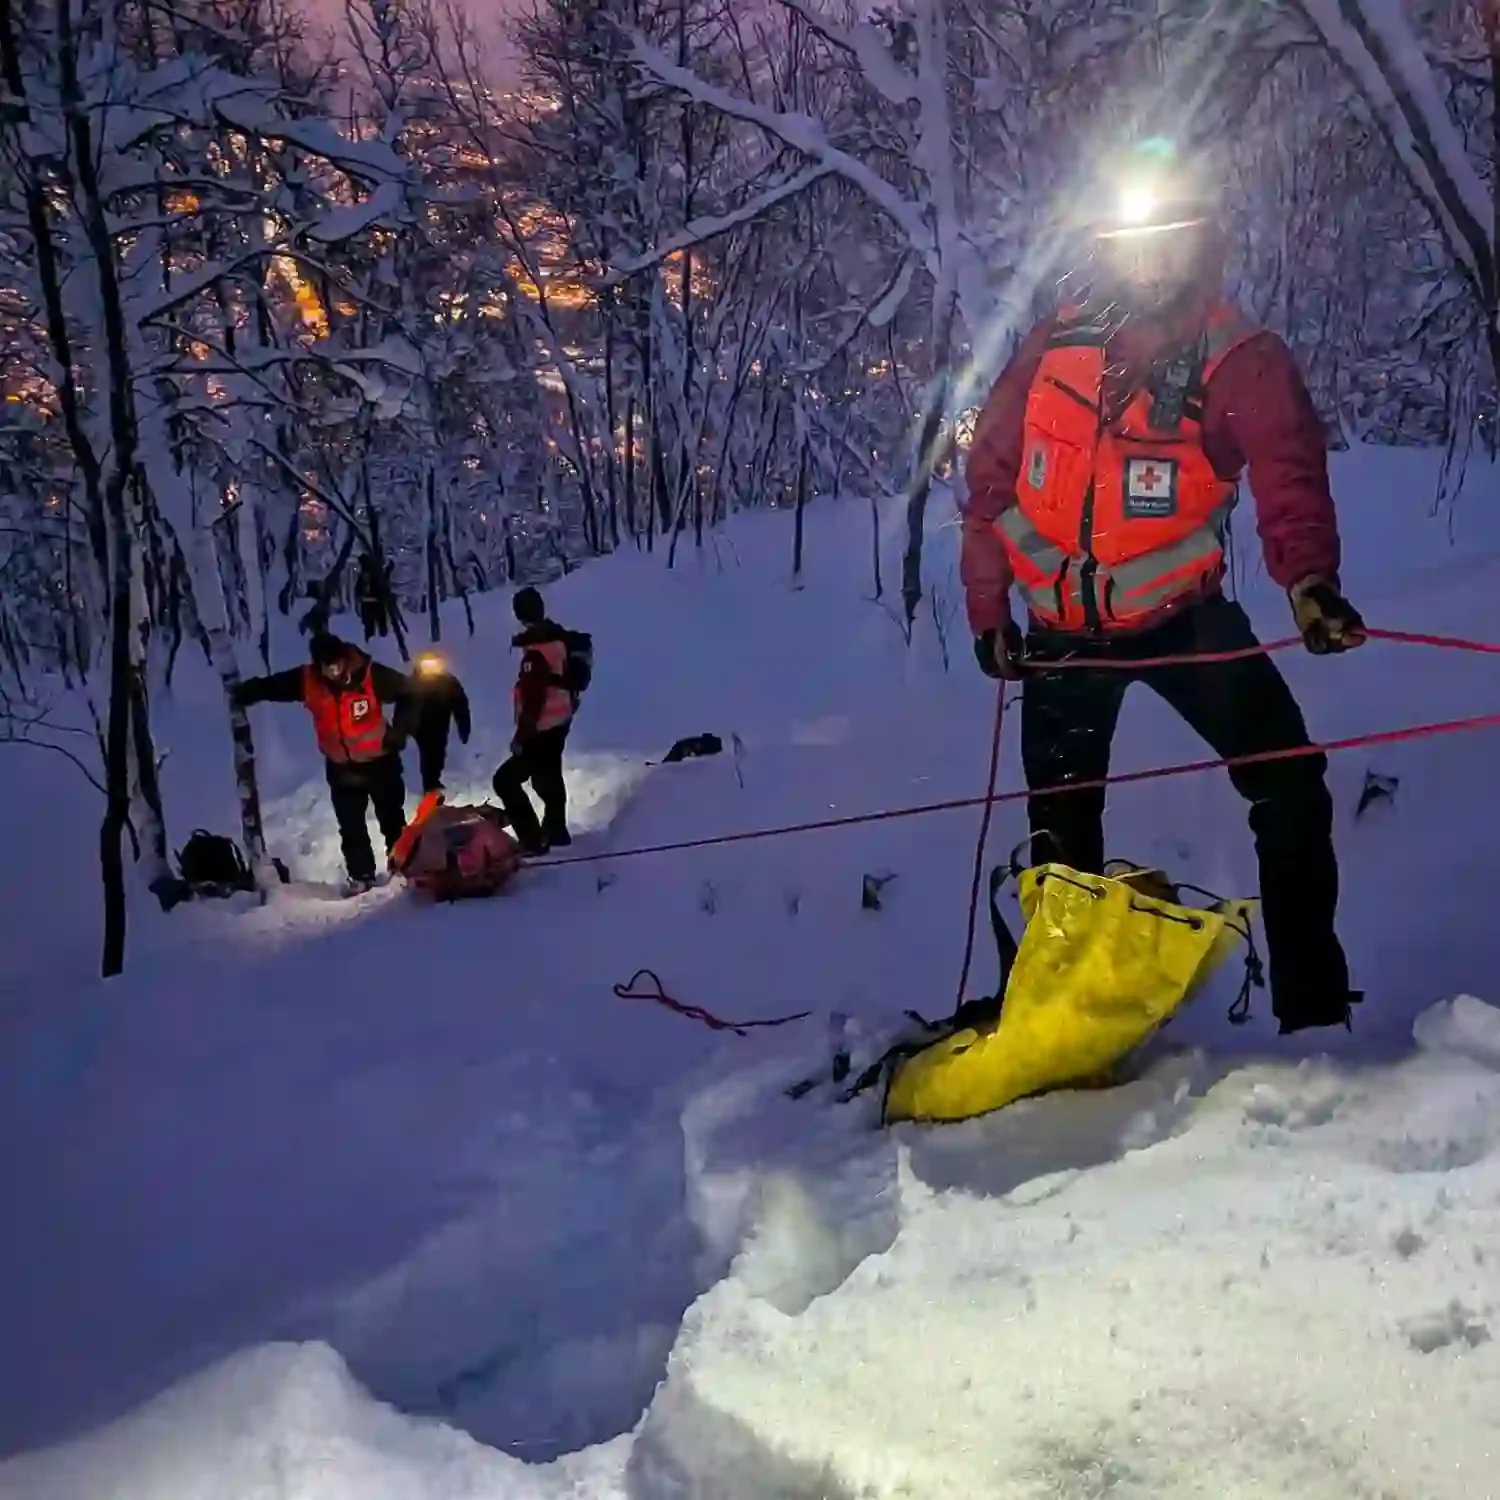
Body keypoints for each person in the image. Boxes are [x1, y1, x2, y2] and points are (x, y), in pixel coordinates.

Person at [961, 151, 1367, 1036]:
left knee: (1291, 788)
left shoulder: (1240, 357)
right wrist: (987, 606)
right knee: (1060, 846)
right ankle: (1068, 1029)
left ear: (1199, 245)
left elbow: (1289, 473)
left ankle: (1314, 1012)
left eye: (1166, 244)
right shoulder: (1053, 344)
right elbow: (990, 476)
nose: (1148, 263)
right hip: (1058, 632)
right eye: (1130, 244)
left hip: (1183, 621)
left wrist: (1310, 583)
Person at [234, 633, 415, 893]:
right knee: (351, 826)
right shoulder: (308, 680)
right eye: (326, 666)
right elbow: (276, 686)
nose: (333, 671)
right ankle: (361, 876)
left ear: (344, 659)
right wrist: (250, 691)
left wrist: (400, 731)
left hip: (380, 762)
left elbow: (409, 693)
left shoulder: (370, 674)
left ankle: (403, 868)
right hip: (341, 767)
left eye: (337, 664)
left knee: (392, 818)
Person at [492, 587, 577, 853]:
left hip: (540, 728)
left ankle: (532, 839)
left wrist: (521, 737)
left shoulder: (535, 652)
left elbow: (533, 699)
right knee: (548, 776)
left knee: (504, 780)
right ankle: (556, 829)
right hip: (560, 720)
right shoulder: (559, 640)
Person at [410, 649, 472, 793]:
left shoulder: (449, 682)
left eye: (434, 664)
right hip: (421, 724)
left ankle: (434, 780)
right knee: (426, 753)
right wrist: (402, 727)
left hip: (441, 723)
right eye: (427, 664)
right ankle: (429, 784)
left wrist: (464, 727)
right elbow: (404, 703)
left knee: (438, 752)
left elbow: (461, 704)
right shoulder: (415, 682)